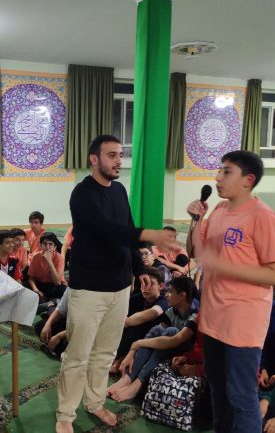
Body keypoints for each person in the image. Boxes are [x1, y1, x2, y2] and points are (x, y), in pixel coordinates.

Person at [55, 135, 175, 433]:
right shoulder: (83, 194)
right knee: (78, 355)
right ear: (94, 159)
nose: (119, 160)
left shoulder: (119, 190)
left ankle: (95, 402)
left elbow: (125, 229)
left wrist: (139, 268)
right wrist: (150, 234)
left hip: (120, 287)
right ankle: (65, 415)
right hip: (89, 289)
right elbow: (107, 230)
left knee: (105, 352)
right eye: (111, 155)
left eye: (120, 154)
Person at [187, 150, 275, 433]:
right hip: (213, 316)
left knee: (241, 396)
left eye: (227, 172)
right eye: (219, 171)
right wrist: (196, 220)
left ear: (248, 180)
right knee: (218, 390)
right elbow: (196, 252)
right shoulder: (219, 210)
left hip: (242, 322)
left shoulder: (262, 216)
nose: (218, 178)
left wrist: (226, 267)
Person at [107, 276, 198, 402]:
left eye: (170, 291)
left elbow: (176, 340)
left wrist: (137, 343)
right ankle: (127, 379)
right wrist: (133, 350)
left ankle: (137, 384)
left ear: (182, 295)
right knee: (157, 330)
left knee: (171, 331)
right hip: (165, 349)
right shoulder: (171, 311)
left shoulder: (195, 314)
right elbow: (157, 333)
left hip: (183, 355)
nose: (166, 295)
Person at [110, 266, 169, 373]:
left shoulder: (163, 301)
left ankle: (117, 360)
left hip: (150, 340)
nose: (145, 287)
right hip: (128, 337)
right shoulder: (138, 298)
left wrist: (125, 322)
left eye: (151, 283)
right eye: (143, 283)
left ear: (161, 286)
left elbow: (152, 314)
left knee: (140, 324)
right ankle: (116, 359)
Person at [28, 232, 66, 302]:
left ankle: (51, 302)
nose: (47, 247)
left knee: (63, 290)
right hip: (39, 284)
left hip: (54, 285)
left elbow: (57, 282)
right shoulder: (36, 257)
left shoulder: (59, 258)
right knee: (25, 288)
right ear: (41, 245)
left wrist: (50, 261)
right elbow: (31, 278)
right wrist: (36, 290)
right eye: (45, 244)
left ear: (55, 247)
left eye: (50, 244)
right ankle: (49, 302)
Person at [35, 289, 70, 358]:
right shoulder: (71, 289)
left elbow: (82, 327)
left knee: (70, 341)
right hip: (68, 322)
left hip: (80, 330)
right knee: (41, 326)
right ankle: (57, 350)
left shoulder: (90, 293)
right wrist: (48, 324)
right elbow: (60, 310)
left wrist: (59, 336)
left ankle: (57, 350)